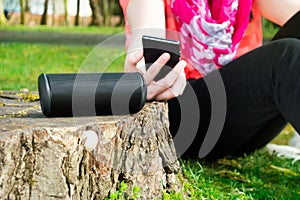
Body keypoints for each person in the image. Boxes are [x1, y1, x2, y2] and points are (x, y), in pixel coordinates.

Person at [119, 0, 300, 160]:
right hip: (186, 118)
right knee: (286, 57)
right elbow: (147, 30)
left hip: (245, 123)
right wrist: (148, 63)